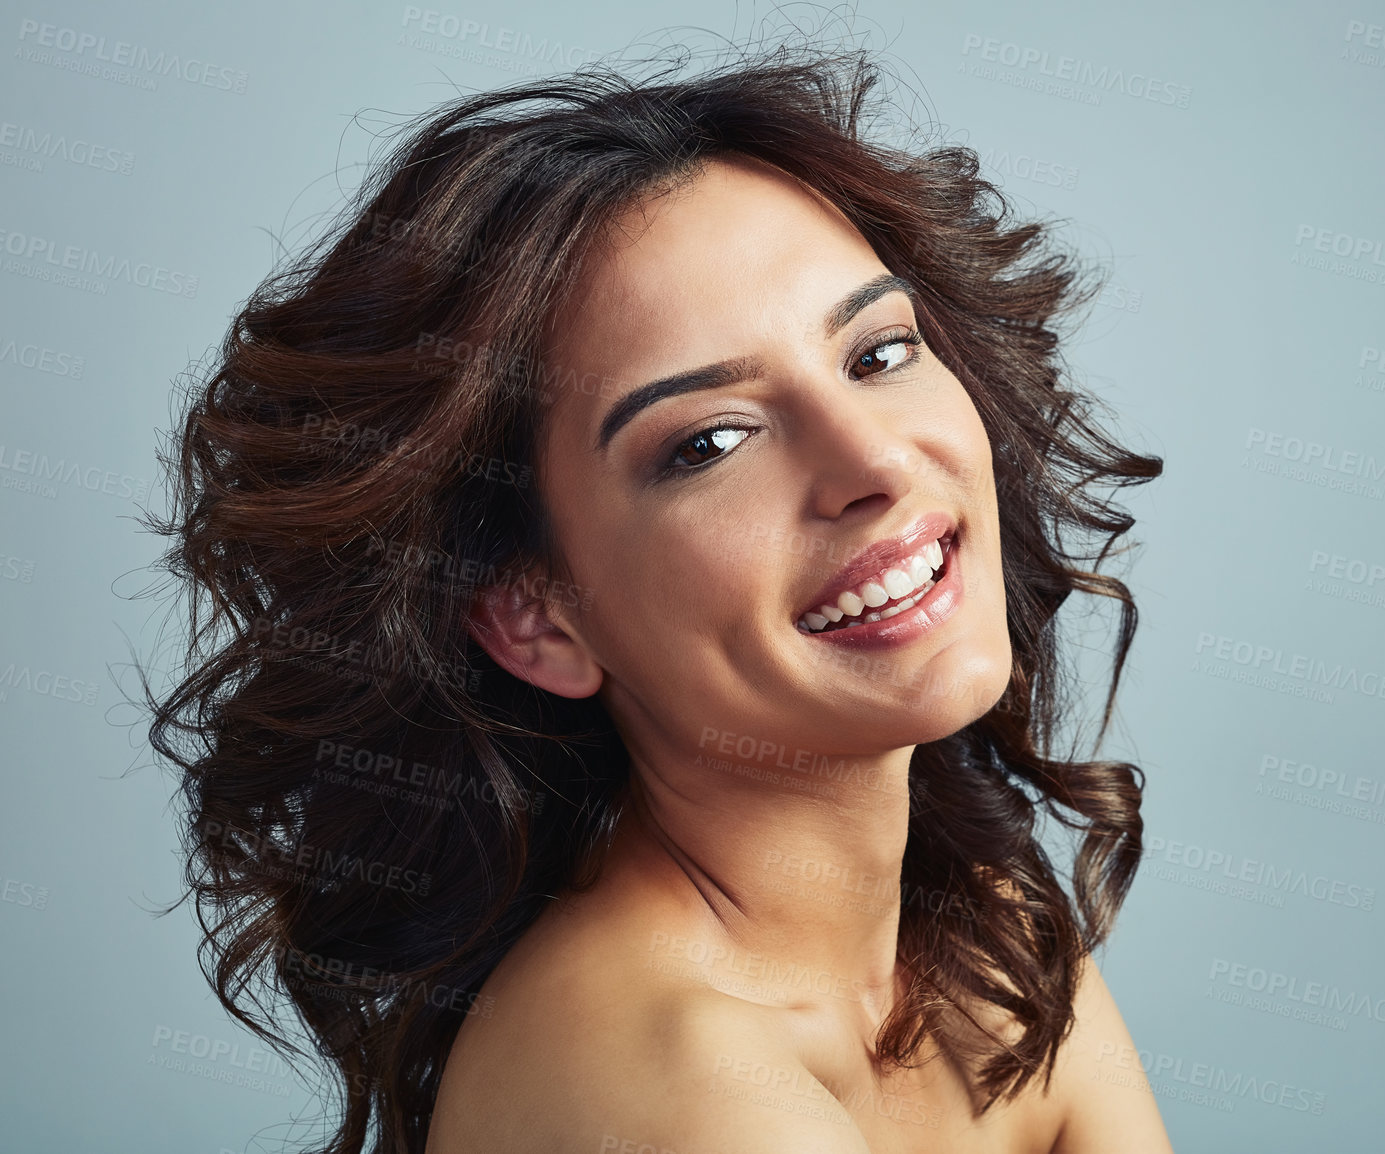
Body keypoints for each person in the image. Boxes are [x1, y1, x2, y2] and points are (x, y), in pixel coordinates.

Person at [146, 39, 1168, 1154]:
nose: (872, 460)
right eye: (710, 442)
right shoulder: (682, 1083)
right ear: (536, 616)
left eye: (877, 353)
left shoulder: (986, 931)